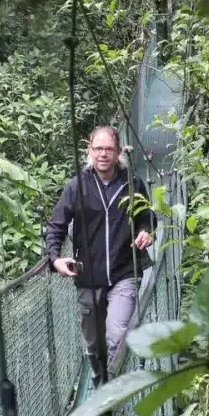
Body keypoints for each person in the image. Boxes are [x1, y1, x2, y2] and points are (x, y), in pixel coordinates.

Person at [45, 125, 157, 385]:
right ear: (89, 151)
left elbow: (147, 216)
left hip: (124, 272)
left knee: (117, 335)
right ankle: (98, 371)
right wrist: (55, 258)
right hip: (89, 276)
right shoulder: (77, 187)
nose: (103, 154)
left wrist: (146, 231)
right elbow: (56, 226)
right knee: (94, 344)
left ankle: (112, 395)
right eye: (98, 148)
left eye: (109, 149)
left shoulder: (132, 183)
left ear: (118, 152)